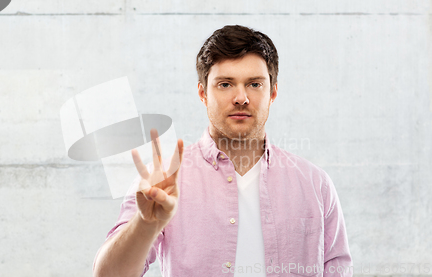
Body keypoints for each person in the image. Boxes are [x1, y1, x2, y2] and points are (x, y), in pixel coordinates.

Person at [93, 25, 352, 277]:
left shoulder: (315, 184)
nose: (241, 97)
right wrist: (146, 224)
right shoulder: (163, 181)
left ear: (273, 92)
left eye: (254, 84)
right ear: (203, 93)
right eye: (225, 84)